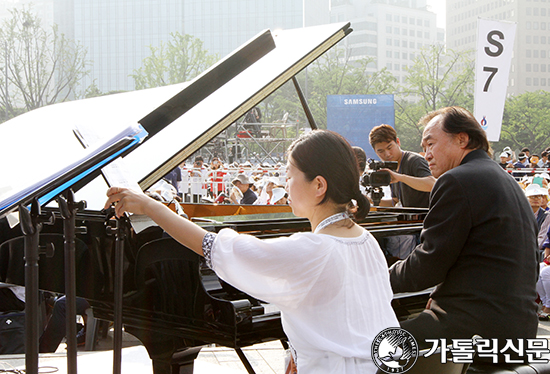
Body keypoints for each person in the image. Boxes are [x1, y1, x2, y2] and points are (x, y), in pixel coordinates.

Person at [105, 129, 399, 373]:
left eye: (289, 174)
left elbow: (211, 245)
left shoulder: (314, 249)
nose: (285, 183)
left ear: (318, 185)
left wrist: (150, 206)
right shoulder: (365, 239)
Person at [390, 106, 538, 361]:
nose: (426, 154)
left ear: (462, 138)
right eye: (423, 147)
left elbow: (428, 263)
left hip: (472, 330)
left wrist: (377, 279)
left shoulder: (457, 180)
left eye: (431, 144)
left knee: (374, 348)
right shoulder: (507, 181)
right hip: (519, 331)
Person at [368, 124, 435, 208]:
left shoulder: (414, 160)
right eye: (381, 151)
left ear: (398, 142)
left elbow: (432, 184)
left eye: (389, 147)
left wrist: (400, 177)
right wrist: (369, 200)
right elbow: (394, 202)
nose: (387, 154)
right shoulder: (390, 167)